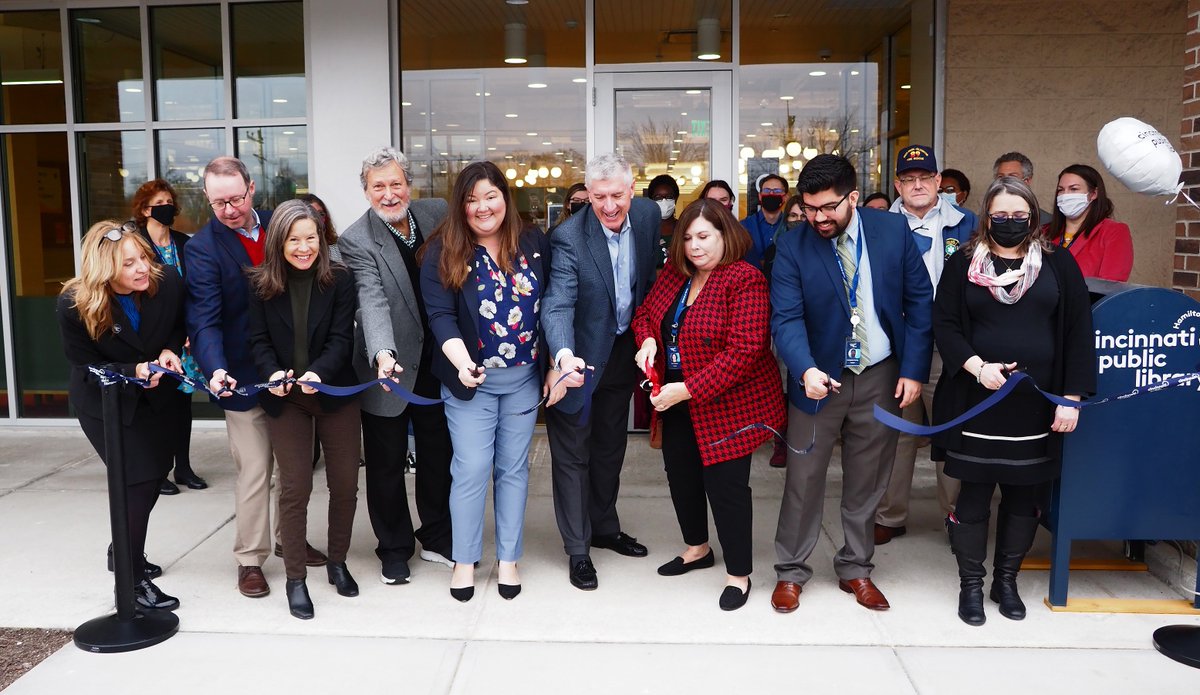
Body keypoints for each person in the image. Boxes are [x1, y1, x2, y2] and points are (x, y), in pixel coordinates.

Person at [770, 154, 933, 614]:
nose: (819, 218)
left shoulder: (892, 231)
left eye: (829, 208)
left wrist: (914, 369)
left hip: (881, 375)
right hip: (818, 379)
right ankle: (791, 571)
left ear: (854, 197)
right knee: (803, 479)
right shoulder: (793, 245)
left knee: (868, 478)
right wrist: (803, 369)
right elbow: (785, 318)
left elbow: (920, 303)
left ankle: (856, 568)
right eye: (809, 208)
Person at [933, 177, 1095, 625]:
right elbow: (945, 325)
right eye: (1000, 216)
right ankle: (970, 584)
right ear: (987, 217)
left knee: (1024, 498)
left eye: (1018, 216)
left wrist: (1072, 398)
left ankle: (1006, 580)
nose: (1009, 223)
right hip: (977, 399)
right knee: (973, 498)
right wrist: (976, 367)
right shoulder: (964, 263)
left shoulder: (1059, 264)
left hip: (1037, 405)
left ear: (1034, 216)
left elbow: (1080, 331)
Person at [631, 200, 784, 611]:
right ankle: (697, 548)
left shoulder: (744, 279)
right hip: (677, 399)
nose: (695, 247)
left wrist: (686, 390)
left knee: (727, 489)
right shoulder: (676, 275)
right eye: (687, 238)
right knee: (681, 477)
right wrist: (647, 339)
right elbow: (645, 314)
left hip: (729, 404)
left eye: (704, 237)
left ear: (724, 235)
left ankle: (739, 574)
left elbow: (744, 350)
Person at [187, 156, 326, 599]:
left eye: (235, 198)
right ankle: (250, 559)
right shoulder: (202, 248)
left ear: (251, 189)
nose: (228, 209)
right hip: (243, 377)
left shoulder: (280, 224)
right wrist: (217, 370)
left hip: (292, 374)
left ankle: (290, 539)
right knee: (253, 470)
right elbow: (204, 320)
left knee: (295, 467)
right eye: (217, 202)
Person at [419, 161, 552, 602]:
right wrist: (460, 362)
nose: (482, 207)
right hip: (470, 381)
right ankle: (464, 559)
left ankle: (509, 558)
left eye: (490, 196)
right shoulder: (442, 250)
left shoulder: (532, 241)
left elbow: (550, 304)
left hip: (523, 381)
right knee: (472, 468)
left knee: (513, 469)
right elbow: (439, 315)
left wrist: (556, 363)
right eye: (472, 199)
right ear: (461, 204)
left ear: (505, 198)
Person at [541, 151, 660, 591]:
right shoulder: (569, 238)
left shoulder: (646, 217)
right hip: (578, 360)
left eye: (617, 195)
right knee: (573, 455)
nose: (609, 206)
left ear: (632, 191)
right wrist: (563, 356)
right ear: (586, 196)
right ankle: (578, 550)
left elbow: (648, 282)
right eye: (599, 197)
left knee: (610, 448)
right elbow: (557, 303)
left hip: (624, 352)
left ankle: (605, 527)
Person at [338, 146, 455, 585]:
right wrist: (383, 352)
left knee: (437, 456)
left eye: (395, 184)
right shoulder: (356, 239)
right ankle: (393, 549)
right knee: (386, 464)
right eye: (378, 187)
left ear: (409, 184)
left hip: (437, 360)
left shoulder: (437, 213)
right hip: (387, 368)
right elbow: (372, 299)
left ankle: (438, 538)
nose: (389, 194)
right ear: (366, 192)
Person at [59, 220, 186, 612]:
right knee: (137, 478)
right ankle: (131, 581)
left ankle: (122, 549)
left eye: (143, 258)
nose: (142, 269)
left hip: (155, 399)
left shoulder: (168, 285)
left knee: (152, 476)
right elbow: (86, 365)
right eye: (129, 264)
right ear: (105, 269)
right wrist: (134, 371)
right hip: (103, 403)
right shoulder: (74, 303)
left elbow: (178, 325)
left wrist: (169, 349)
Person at [246, 200, 361, 620]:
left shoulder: (340, 279)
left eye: (310, 238)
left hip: (334, 392)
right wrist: (272, 372)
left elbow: (340, 340)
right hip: (285, 398)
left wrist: (318, 372)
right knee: (295, 486)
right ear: (279, 241)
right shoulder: (259, 284)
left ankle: (337, 562)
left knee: (345, 484)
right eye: (294, 239)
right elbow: (256, 340)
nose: (303, 247)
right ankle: (296, 578)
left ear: (321, 239)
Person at [877, 145, 975, 546]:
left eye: (925, 178)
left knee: (951, 430)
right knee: (896, 432)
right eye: (908, 179)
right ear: (897, 185)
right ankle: (890, 514)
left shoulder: (967, 224)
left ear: (939, 181)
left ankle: (955, 516)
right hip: (897, 345)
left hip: (948, 345)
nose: (917, 185)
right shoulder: (879, 225)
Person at [131, 179, 206, 494]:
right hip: (152, 337)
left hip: (182, 336)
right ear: (146, 209)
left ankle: (184, 468)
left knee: (181, 405)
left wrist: (191, 329)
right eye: (160, 202)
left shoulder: (182, 242)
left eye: (170, 202)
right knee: (158, 406)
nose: (168, 207)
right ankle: (158, 470)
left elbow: (194, 289)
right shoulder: (135, 244)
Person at [1046, 164, 1134, 282]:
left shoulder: (1114, 232)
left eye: (1074, 189)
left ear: (1093, 194)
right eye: (1061, 190)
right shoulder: (1044, 232)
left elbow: (1110, 285)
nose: (1065, 195)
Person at [741, 173, 789, 270]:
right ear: (760, 196)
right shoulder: (743, 227)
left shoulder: (791, 225)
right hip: (752, 282)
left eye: (777, 191)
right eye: (767, 190)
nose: (771, 194)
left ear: (785, 197)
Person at [993, 152, 1053, 225]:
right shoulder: (983, 220)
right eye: (1000, 177)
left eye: (1012, 177)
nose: (1006, 182)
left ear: (1027, 181)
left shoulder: (1047, 223)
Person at [646, 173, 680, 264]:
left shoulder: (684, 228)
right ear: (651, 200)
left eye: (669, 197)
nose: (664, 201)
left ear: (675, 199)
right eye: (658, 198)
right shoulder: (644, 231)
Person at [298, 192, 341, 263]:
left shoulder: (337, 245)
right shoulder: (297, 247)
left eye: (321, 214)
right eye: (312, 213)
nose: (317, 218)